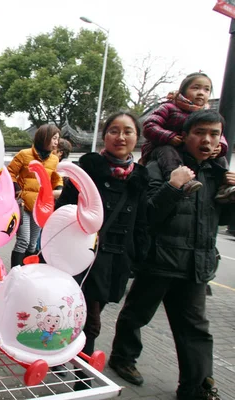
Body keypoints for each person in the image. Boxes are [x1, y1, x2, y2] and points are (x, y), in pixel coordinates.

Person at [109, 109, 234, 400]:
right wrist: (174, 186)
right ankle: (123, 358)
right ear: (186, 136)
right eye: (200, 132)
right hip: (159, 262)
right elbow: (149, 214)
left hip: (195, 268)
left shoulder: (217, 172)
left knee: (196, 330)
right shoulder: (161, 166)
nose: (207, 139)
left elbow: (223, 220)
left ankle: (196, 388)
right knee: (136, 315)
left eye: (214, 134)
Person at [55, 112, 149, 359]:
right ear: (104, 136)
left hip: (117, 260)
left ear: (136, 137)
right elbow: (64, 210)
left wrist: (137, 257)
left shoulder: (140, 178)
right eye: (114, 131)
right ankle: (82, 375)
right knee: (91, 321)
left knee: (84, 312)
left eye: (128, 131)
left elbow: (141, 223)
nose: (120, 137)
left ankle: (63, 350)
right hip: (84, 256)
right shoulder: (88, 169)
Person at [140, 73, 232, 200]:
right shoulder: (169, 107)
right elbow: (150, 125)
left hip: (188, 151)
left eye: (206, 89)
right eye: (196, 88)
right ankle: (182, 181)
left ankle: (225, 186)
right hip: (163, 147)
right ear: (183, 91)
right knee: (167, 151)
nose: (201, 93)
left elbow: (218, 134)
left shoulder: (207, 113)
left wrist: (221, 147)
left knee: (219, 156)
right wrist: (169, 137)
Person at [7, 124, 63, 267]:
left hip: (41, 207)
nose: (57, 142)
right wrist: (16, 187)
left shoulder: (54, 160)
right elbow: (10, 172)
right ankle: (15, 273)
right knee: (23, 241)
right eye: (54, 138)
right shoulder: (24, 154)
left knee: (33, 244)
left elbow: (56, 178)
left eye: (58, 139)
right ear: (45, 138)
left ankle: (27, 273)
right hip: (23, 204)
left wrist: (59, 187)